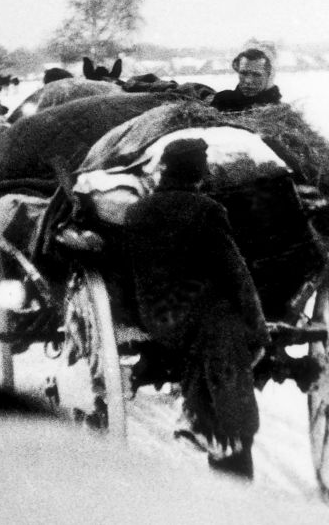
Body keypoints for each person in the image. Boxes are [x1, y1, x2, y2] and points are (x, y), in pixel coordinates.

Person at [121, 138, 269, 479]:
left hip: (156, 318)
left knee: (206, 341)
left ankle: (200, 420)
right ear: (198, 171)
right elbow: (235, 272)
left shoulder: (136, 211)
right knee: (227, 345)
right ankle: (227, 444)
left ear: (166, 171)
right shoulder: (206, 210)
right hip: (199, 317)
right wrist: (258, 327)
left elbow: (127, 273)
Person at [212, 47, 282, 111]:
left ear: (268, 76)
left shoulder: (278, 109)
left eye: (256, 75)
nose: (248, 81)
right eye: (243, 73)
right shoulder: (222, 100)